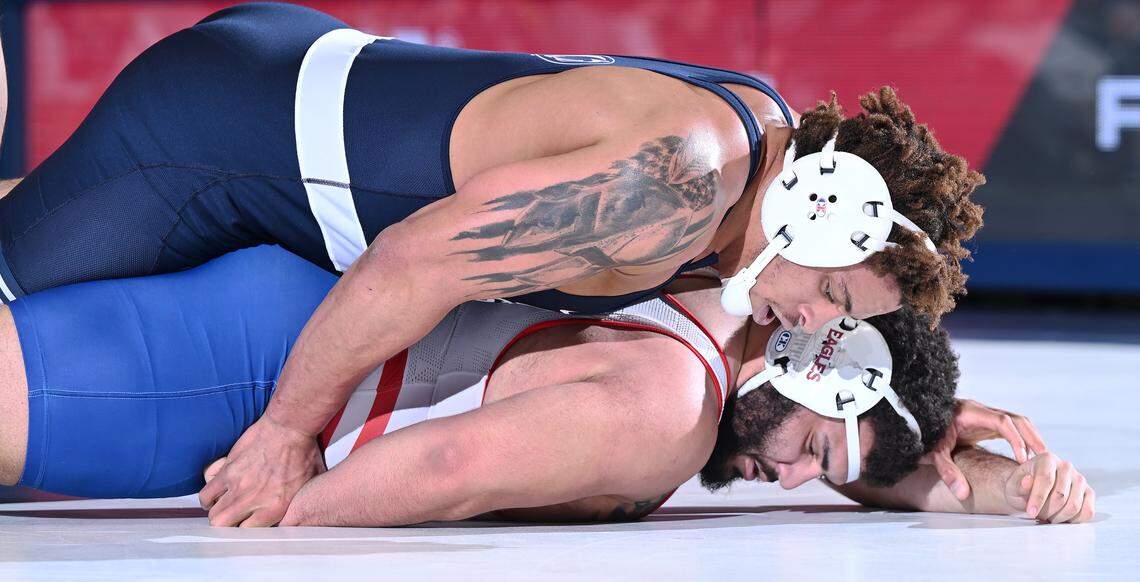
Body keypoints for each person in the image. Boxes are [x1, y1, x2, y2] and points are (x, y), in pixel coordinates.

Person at [0, 3, 985, 526]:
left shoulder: (758, 145)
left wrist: (928, 428)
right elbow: (411, 262)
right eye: (831, 294)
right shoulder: (674, 190)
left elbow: (777, 402)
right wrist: (287, 436)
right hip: (207, 145)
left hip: (279, 95)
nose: (814, 322)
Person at [0, 246, 1090, 526]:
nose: (794, 483)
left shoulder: (742, 311)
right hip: (213, 386)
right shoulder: (669, 412)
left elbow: (804, 442)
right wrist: (269, 513)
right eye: (821, 454)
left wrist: (988, 480)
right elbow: (447, 463)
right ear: (820, 363)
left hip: (269, 326)